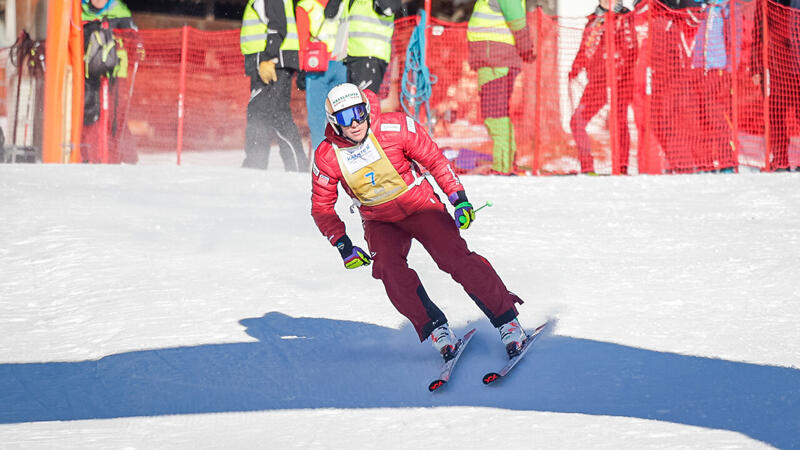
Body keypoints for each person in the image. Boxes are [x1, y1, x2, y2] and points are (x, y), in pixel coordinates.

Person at [310, 83, 527, 360]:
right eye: (344, 118)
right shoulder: (328, 155)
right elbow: (321, 207)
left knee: (454, 258)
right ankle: (437, 329)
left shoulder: (396, 127)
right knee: (388, 268)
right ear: (333, 123)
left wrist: (458, 199)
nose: (354, 123)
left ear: (366, 109)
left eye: (358, 113)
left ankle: (508, 321)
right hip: (378, 220)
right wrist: (343, 245)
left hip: (419, 205)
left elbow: (436, 161)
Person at [466, 0, 535, 175]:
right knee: (498, 115)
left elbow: (518, 23)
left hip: (496, 62)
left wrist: (526, 49)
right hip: (492, 60)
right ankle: (507, 163)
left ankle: (502, 166)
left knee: (494, 115)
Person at [568, 0, 636, 175]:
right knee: (577, 121)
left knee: (618, 121)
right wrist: (576, 67)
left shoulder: (625, 17)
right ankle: (587, 166)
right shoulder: (595, 19)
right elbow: (586, 47)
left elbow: (631, 47)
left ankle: (621, 167)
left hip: (620, 80)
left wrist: (620, 71)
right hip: (597, 82)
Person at [240, 0, 309, 171]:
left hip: (271, 62)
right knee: (268, 114)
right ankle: (261, 163)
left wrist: (267, 58)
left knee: (267, 114)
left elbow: (278, 25)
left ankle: (258, 164)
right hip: (273, 61)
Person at [81, 0, 140, 164]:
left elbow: (134, 38)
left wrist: (137, 44)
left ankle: (122, 157)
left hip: (115, 71)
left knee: (116, 115)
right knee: (89, 113)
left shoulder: (119, 10)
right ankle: (88, 155)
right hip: (89, 71)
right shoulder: (80, 9)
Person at [752, 0, 800, 172]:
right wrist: (756, 66)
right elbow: (757, 31)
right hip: (777, 67)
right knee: (776, 117)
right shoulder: (765, 2)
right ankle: (780, 160)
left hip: (795, 66)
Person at [296, 0, 348, 150]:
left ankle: (322, 153)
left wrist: (301, 69)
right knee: (342, 110)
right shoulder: (344, 3)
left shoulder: (305, 6)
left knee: (317, 115)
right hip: (341, 62)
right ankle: (344, 150)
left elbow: (302, 40)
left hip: (316, 64)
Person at [343, 0, 398, 94]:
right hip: (351, 55)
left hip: (371, 55)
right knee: (353, 102)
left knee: (365, 101)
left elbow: (389, 8)